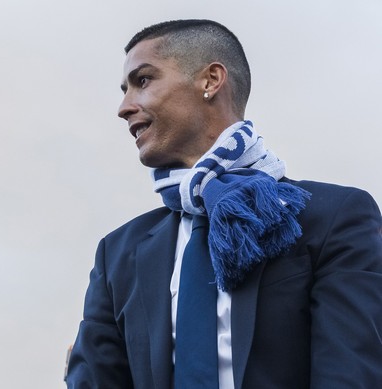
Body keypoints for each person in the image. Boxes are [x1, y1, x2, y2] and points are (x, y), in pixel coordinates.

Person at [66, 19, 382, 389]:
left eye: (143, 81)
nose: (124, 107)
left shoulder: (334, 217)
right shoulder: (118, 252)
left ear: (211, 80)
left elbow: (352, 374)